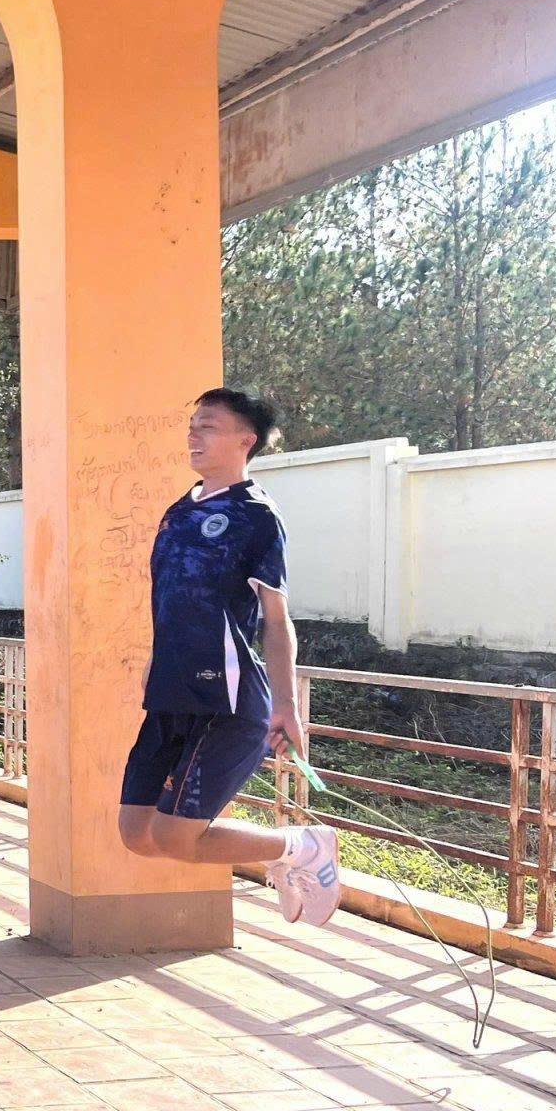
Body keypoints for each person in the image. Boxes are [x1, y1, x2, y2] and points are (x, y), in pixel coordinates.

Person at [117, 388, 341, 924]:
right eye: (192, 425)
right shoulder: (179, 511)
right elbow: (176, 599)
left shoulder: (256, 516)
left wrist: (286, 705)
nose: (193, 434)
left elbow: (275, 619)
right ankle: (289, 852)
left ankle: (303, 847)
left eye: (209, 426)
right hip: (170, 694)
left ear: (245, 440)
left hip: (226, 699)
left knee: (176, 837)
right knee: (137, 834)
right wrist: (155, 660)